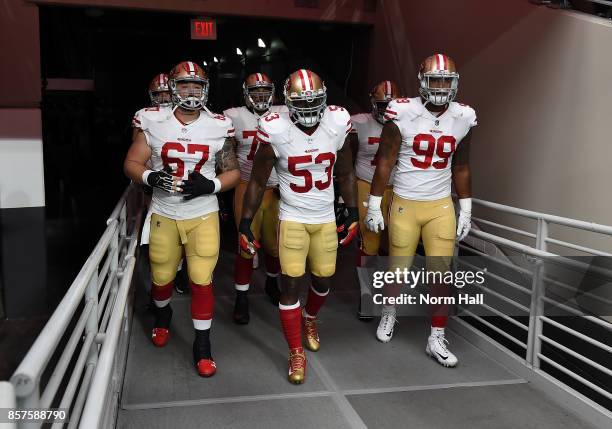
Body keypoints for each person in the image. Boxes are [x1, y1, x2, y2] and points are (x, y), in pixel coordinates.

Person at [239, 69, 358, 384]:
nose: (307, 109)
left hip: (324, 218)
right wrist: (246, 222)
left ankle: (310, 318)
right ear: (286, 102)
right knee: (290, 284)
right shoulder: (275, 129)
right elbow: (257, 181)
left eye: (313, 102)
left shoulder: (336, 124)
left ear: (324, 99)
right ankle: (295, 351)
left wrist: (354, 211)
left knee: (323, 279)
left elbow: (346, 173)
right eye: (300, 103)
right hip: (292, 217)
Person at [124, 60, 240, 377]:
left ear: (206, 89)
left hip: (203, 213)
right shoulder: (154, 120)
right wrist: (150, 177)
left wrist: (212, 185)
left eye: (198, 85)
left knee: (201, 279)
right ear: (173, 88)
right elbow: (132, 162)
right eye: (186, 85)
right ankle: (163, 317)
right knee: (161, 276)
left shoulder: (219, 124)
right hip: (164, 210)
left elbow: (233, 171)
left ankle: (202, 345)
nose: (192, 91)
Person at [365, 54, 475, 367]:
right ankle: (389, 313)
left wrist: (465, 209)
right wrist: (374, 204)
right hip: (404, 202)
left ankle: (436, 338)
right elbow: (385, 160)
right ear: (422, 81)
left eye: (445, 80)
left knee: (442, 273)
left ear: (454, 83)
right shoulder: (402, 110)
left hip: (440, 204)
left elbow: (462, 165)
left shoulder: (464, 116)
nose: (440, 87)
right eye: (435, 80)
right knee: (398, 268)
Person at [223, 72, 287, 324]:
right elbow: (223, 152)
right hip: (247, 185)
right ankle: (242, 297)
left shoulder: (285, 112)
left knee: (275, 245)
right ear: (245, 93)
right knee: (246, 245)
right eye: (255, 91)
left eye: (265, 90)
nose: (260, 96)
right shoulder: (233, 116)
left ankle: (271, 282)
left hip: (276, 187)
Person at [348, 80, 401, 320]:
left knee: (396, 244)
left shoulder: (407, 121)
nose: (386, 109)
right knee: (369, 240)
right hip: (366, 184)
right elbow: (348, 162)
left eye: (390, 105)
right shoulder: (359, 123)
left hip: (397, 187)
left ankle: (390, 295)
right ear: (372, 102)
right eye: (382, 104)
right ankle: (367, 292)